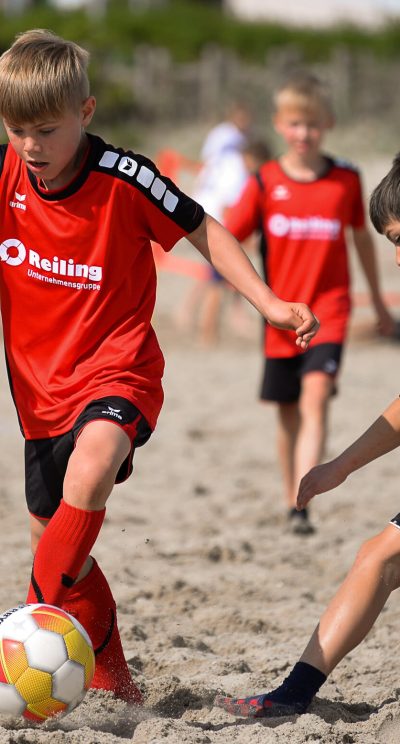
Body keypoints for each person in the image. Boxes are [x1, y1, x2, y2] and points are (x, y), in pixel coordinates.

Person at [0, 30, 319, 706]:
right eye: (17, 128)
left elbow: (204, 229)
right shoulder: (5, 177)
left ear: (85, 114)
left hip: (119, 372)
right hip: (37, 395)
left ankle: (19, 643)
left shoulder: (124, 176)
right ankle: (121, 689)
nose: (30, 145)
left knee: (89, 475)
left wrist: (265, 300)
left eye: (46, 130)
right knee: (64, 555)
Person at [214, 151, 400, 719]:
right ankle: (292, 696)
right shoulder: (268, 181)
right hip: (288, 331)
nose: (397, 254)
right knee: (380, 557)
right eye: (390, 239)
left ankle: (291, 696)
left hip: (323, 321)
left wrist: (339, 466)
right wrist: (338, 467)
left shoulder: (337, 177)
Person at [225, 72, 395, 535]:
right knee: (287, 416)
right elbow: (226, 242)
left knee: (316, 397)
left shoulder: (345, 180)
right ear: (280, 125)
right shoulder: (264, 182)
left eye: (313, 124)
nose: (305, 133)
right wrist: (247, 300)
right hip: (280, 317)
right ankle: (291, 497)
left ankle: (303, 508)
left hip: (331, 311)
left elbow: (362, 240)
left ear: (329, 124)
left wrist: (378, 303)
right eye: (296, 123)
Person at [175, 102, 254, 346]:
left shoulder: (221, 149)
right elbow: (231, 198)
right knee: (222, 271)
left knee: (217, 271)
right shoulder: (233, 159)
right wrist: (239, 232)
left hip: (207, 210)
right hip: (219, 217)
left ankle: (191, 313)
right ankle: (209, 328)